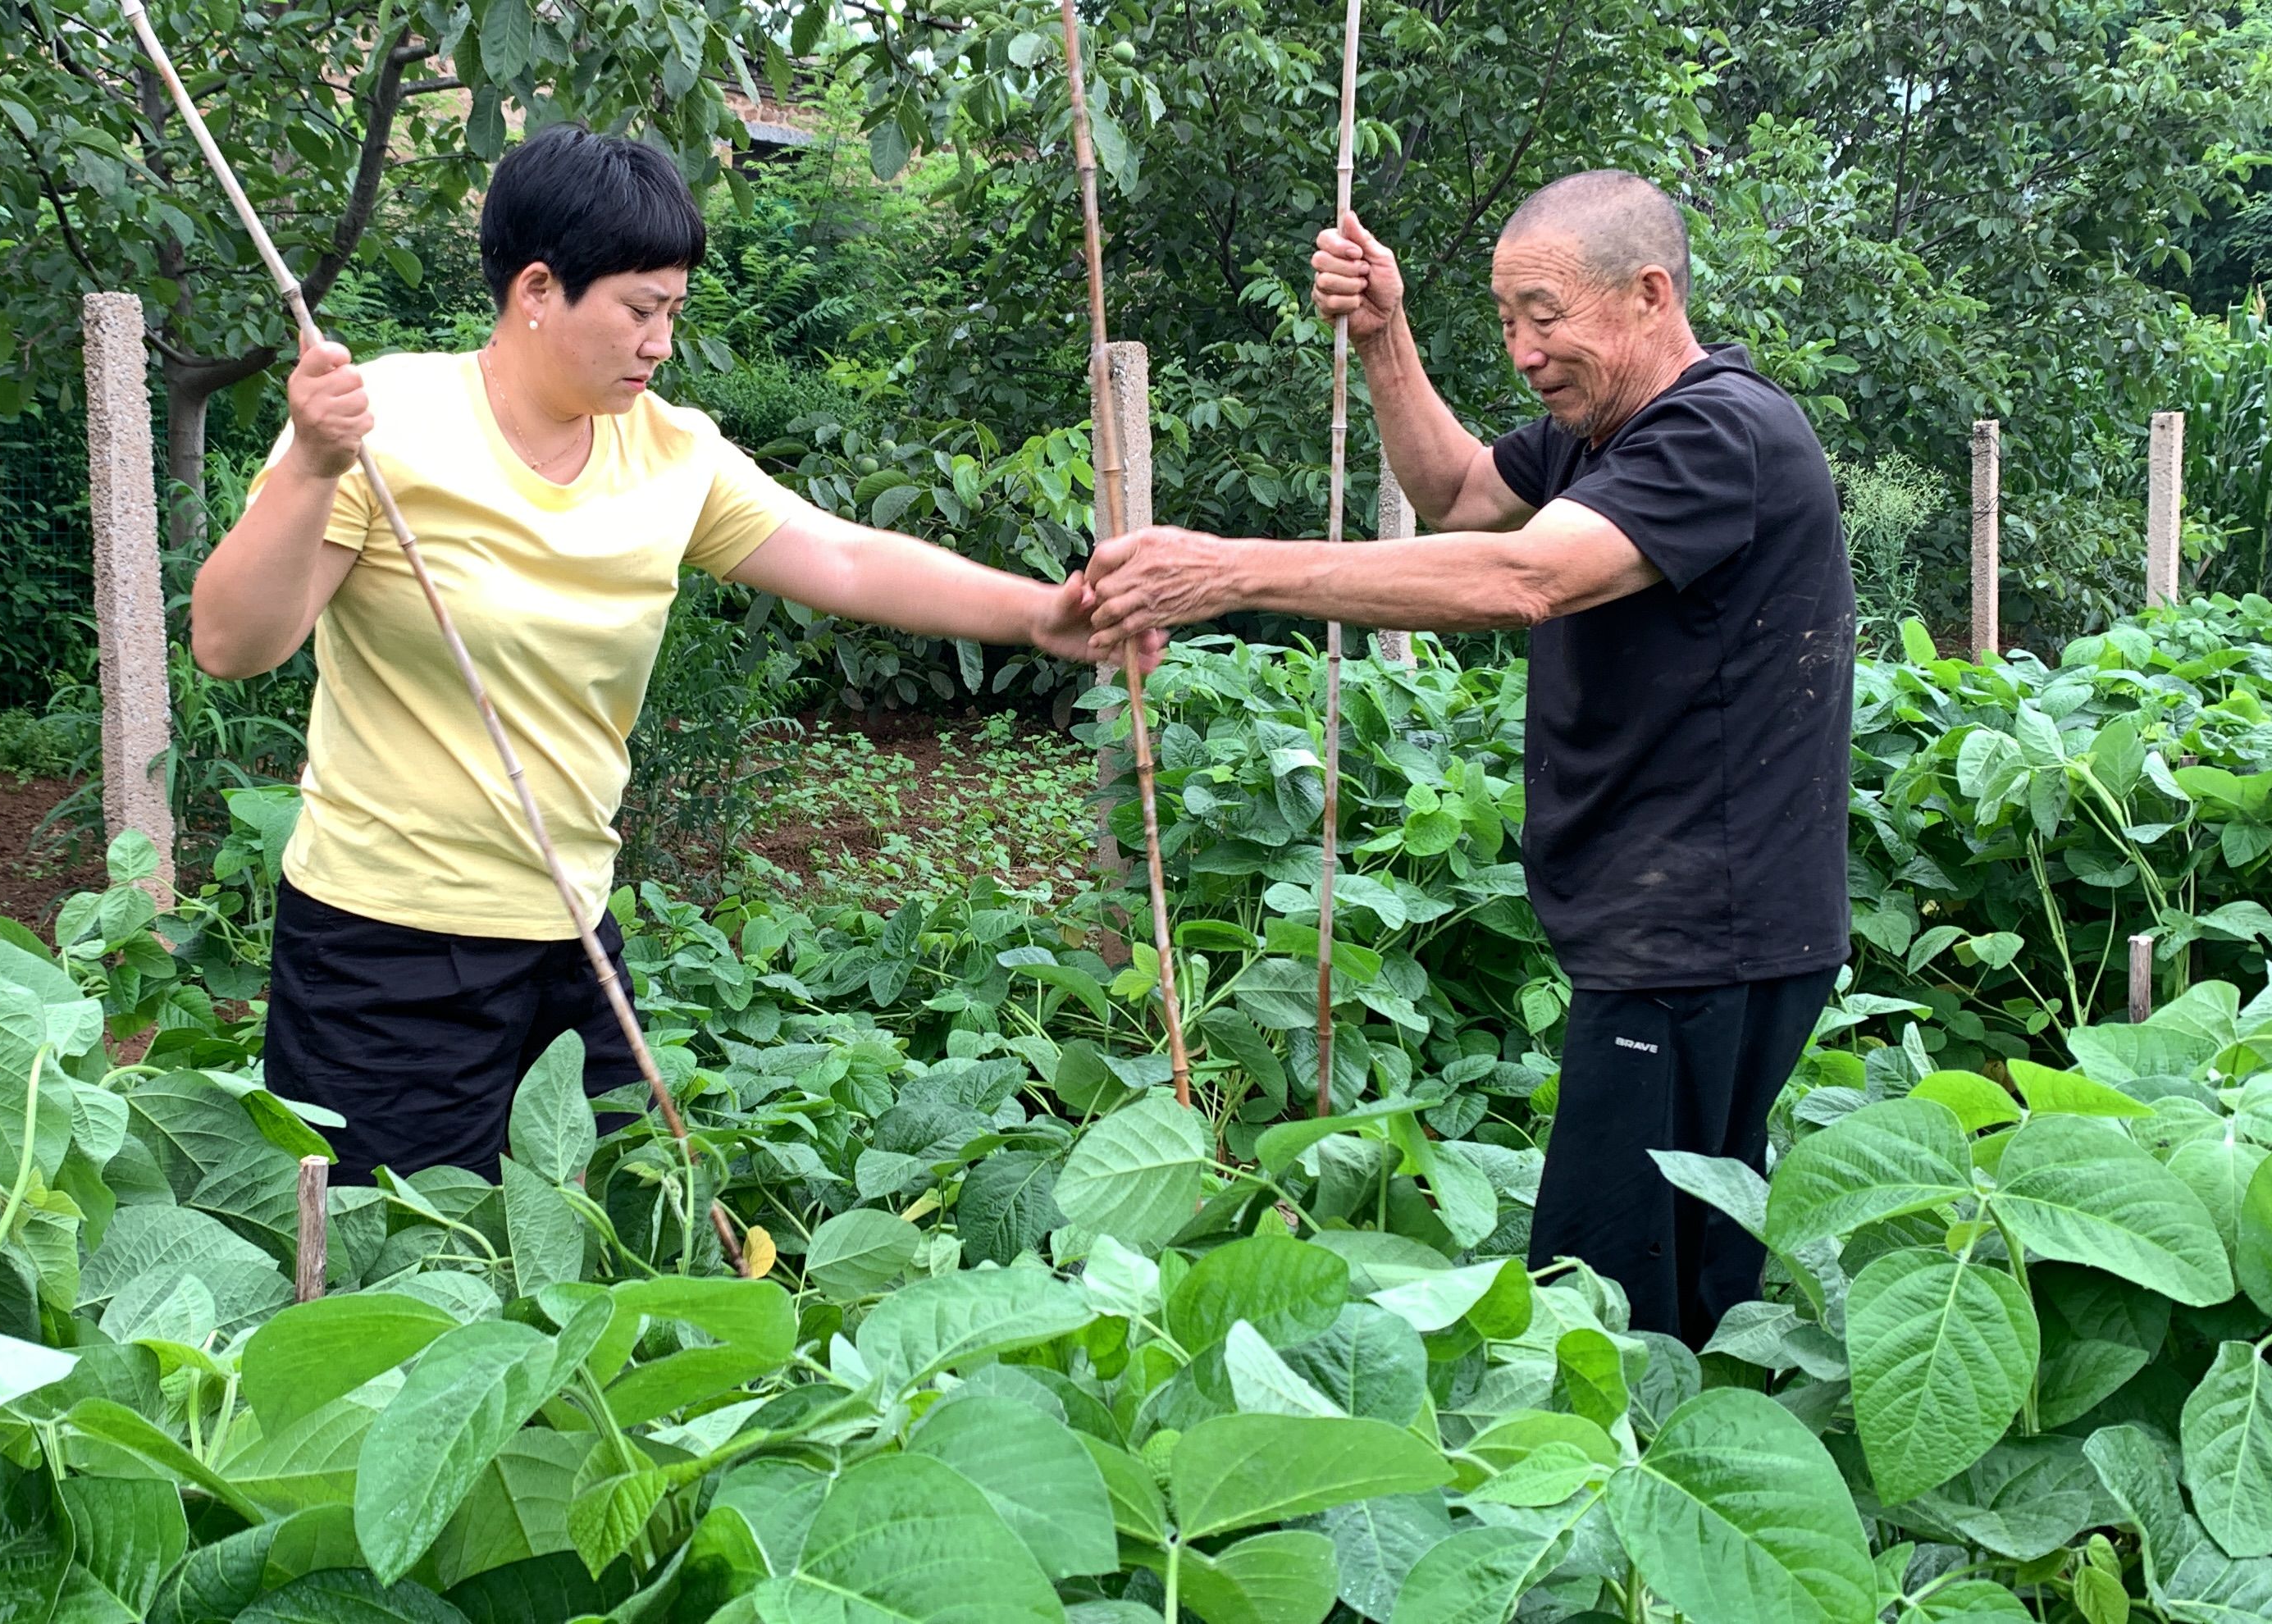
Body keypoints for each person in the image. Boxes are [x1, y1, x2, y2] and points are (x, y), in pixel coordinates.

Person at [190, 123, 1144, 1184]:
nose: (660, 344)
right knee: (397, 1276)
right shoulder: (383, 424)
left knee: (614, 1231)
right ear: (539, 290)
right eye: (640, 311)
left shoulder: (669, 451)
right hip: (382, 947)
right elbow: (234, 641)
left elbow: (845, 557)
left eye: (673, 314)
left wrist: (1038, 614)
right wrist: (316, 467)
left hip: (571, 935)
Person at [1078, 170, 1854, 1347]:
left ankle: (1614, 1499)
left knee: (1596, 1304)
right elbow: (1455, 495)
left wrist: (1226, 571)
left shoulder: (1718, 435)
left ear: (1649, 295)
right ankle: (1706, 1453)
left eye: (1546, 315)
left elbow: (1524, 577)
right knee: (1689, 1264)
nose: (1524, 350)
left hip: (1705, 934)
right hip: (1687, 929)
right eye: (1504, 321)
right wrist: (1385, 336)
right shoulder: (1610, 435)